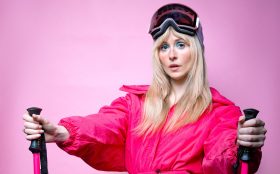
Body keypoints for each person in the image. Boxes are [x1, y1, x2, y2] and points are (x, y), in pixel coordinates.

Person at [23, 3, 266, 174]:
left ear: (197, 49)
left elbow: (222, 163)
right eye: (163, 47)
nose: (171, 55)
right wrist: (65, 132)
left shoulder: (221, 113)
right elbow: (102, 126)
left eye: (181, 44)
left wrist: (242, 143)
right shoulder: (135, 104)